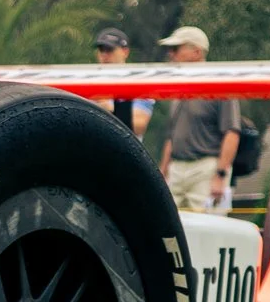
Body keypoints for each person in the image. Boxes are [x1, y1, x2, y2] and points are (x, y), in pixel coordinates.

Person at [156, 24, 240, 212]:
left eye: (176, 49)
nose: (171, 54)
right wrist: (163, 171)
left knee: (208, 227)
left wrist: (220, 174)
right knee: (172, 230)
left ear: (196, 52)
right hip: (176, 170)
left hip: (206, 168)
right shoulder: (179, 88)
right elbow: (173, 135)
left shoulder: (219, 85)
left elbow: (232, 133)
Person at [94, 26, 149, 136]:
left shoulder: (138, 81)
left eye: (109, 49)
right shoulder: (88, 81)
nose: (104, 55)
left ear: (125, 52)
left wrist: (108, 109)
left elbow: (139, 126)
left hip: (124, 148)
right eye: (101, 50)